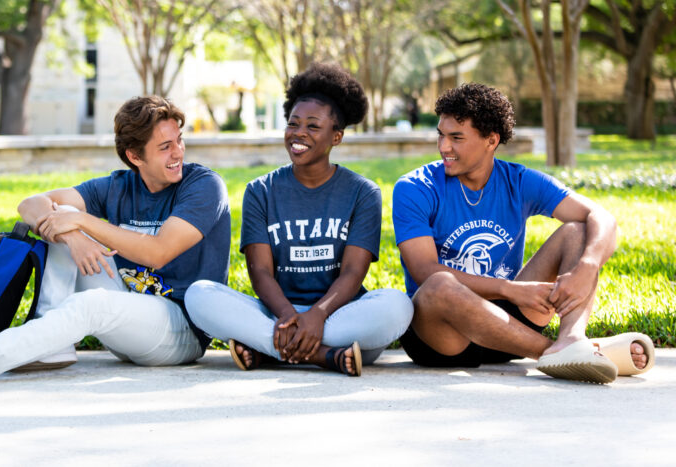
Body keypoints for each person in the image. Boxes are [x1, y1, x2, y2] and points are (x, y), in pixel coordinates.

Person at [0, 95, 231, 385]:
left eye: (179, 140)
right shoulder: (119, 186)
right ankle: (52, 342)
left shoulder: (203, 186)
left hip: (178, 331)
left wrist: (83, 222)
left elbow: (158, 253)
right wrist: (73, 235)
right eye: (165, 147)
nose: (178, 152)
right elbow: (30, 204)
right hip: (125, 318)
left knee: (88, 288)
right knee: (62, 212)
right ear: (134, 156)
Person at [392, 83, 654, 383]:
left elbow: (602, 218)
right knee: (439, 284)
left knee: (577, 233)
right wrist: (510, 289)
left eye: (456, 138)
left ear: (491, 140)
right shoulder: (415, 188)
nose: (443, 147)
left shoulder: (517, 181)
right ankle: (565, 353)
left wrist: (587, 265)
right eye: (441, 135)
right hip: (444, 335)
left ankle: (572, 338)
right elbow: (424, 271)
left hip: (508, 324)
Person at [185, 64, 413, 376]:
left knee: (397, 306)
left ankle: (270, 350)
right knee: (199, 295)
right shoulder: (260, 191)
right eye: (293, 124)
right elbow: (261, 271)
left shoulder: (363, 193)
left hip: (339, 316)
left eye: (312, 126)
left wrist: (317, 315)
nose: (299, 133)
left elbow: (353, 271)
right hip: (276, 313)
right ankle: (324, 356)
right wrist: (287, 315)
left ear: (337, 136)